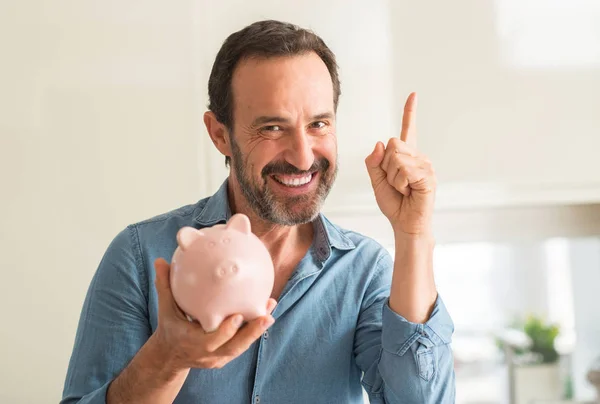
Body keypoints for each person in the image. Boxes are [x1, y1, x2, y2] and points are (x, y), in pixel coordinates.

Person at [61, 19, 455, 404]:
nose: (303, 158)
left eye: (318, 124)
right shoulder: (141, 255)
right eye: (272, 128)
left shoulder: (364, 271)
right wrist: (168, 356)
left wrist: (413, 234)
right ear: (220, 134)